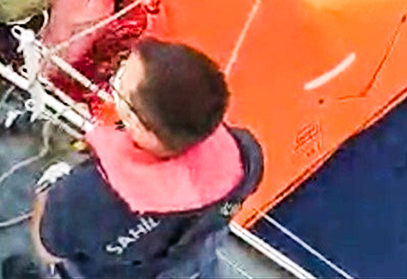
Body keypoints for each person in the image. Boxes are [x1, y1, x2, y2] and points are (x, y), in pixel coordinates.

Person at [18, 38, 264, 279]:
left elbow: (49, 249)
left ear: (138, 124)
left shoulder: (85, 194)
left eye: (120, 81)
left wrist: (49, 189)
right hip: (192, 262)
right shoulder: (245, 155)